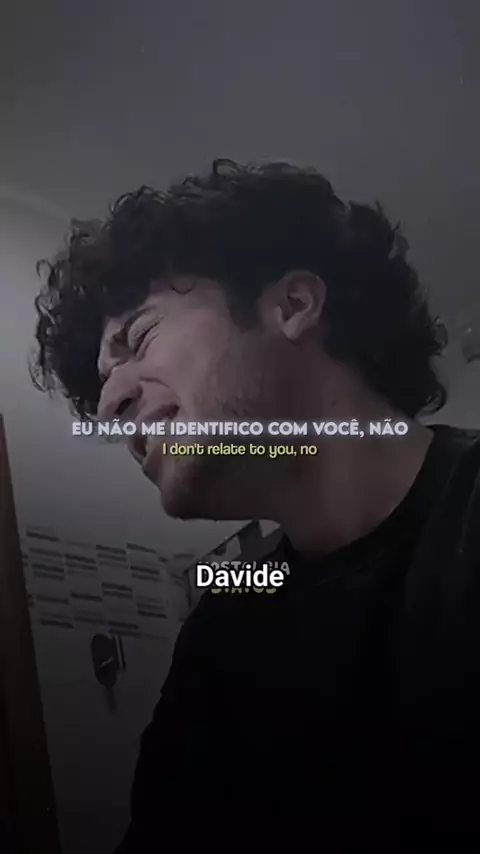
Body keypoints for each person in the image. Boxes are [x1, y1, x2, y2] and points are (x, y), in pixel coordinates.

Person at [31, 159, 480, 849]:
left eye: (139, 338)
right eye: (102, 387)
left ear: (293, 305)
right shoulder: (225, 627)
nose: (112, 403)